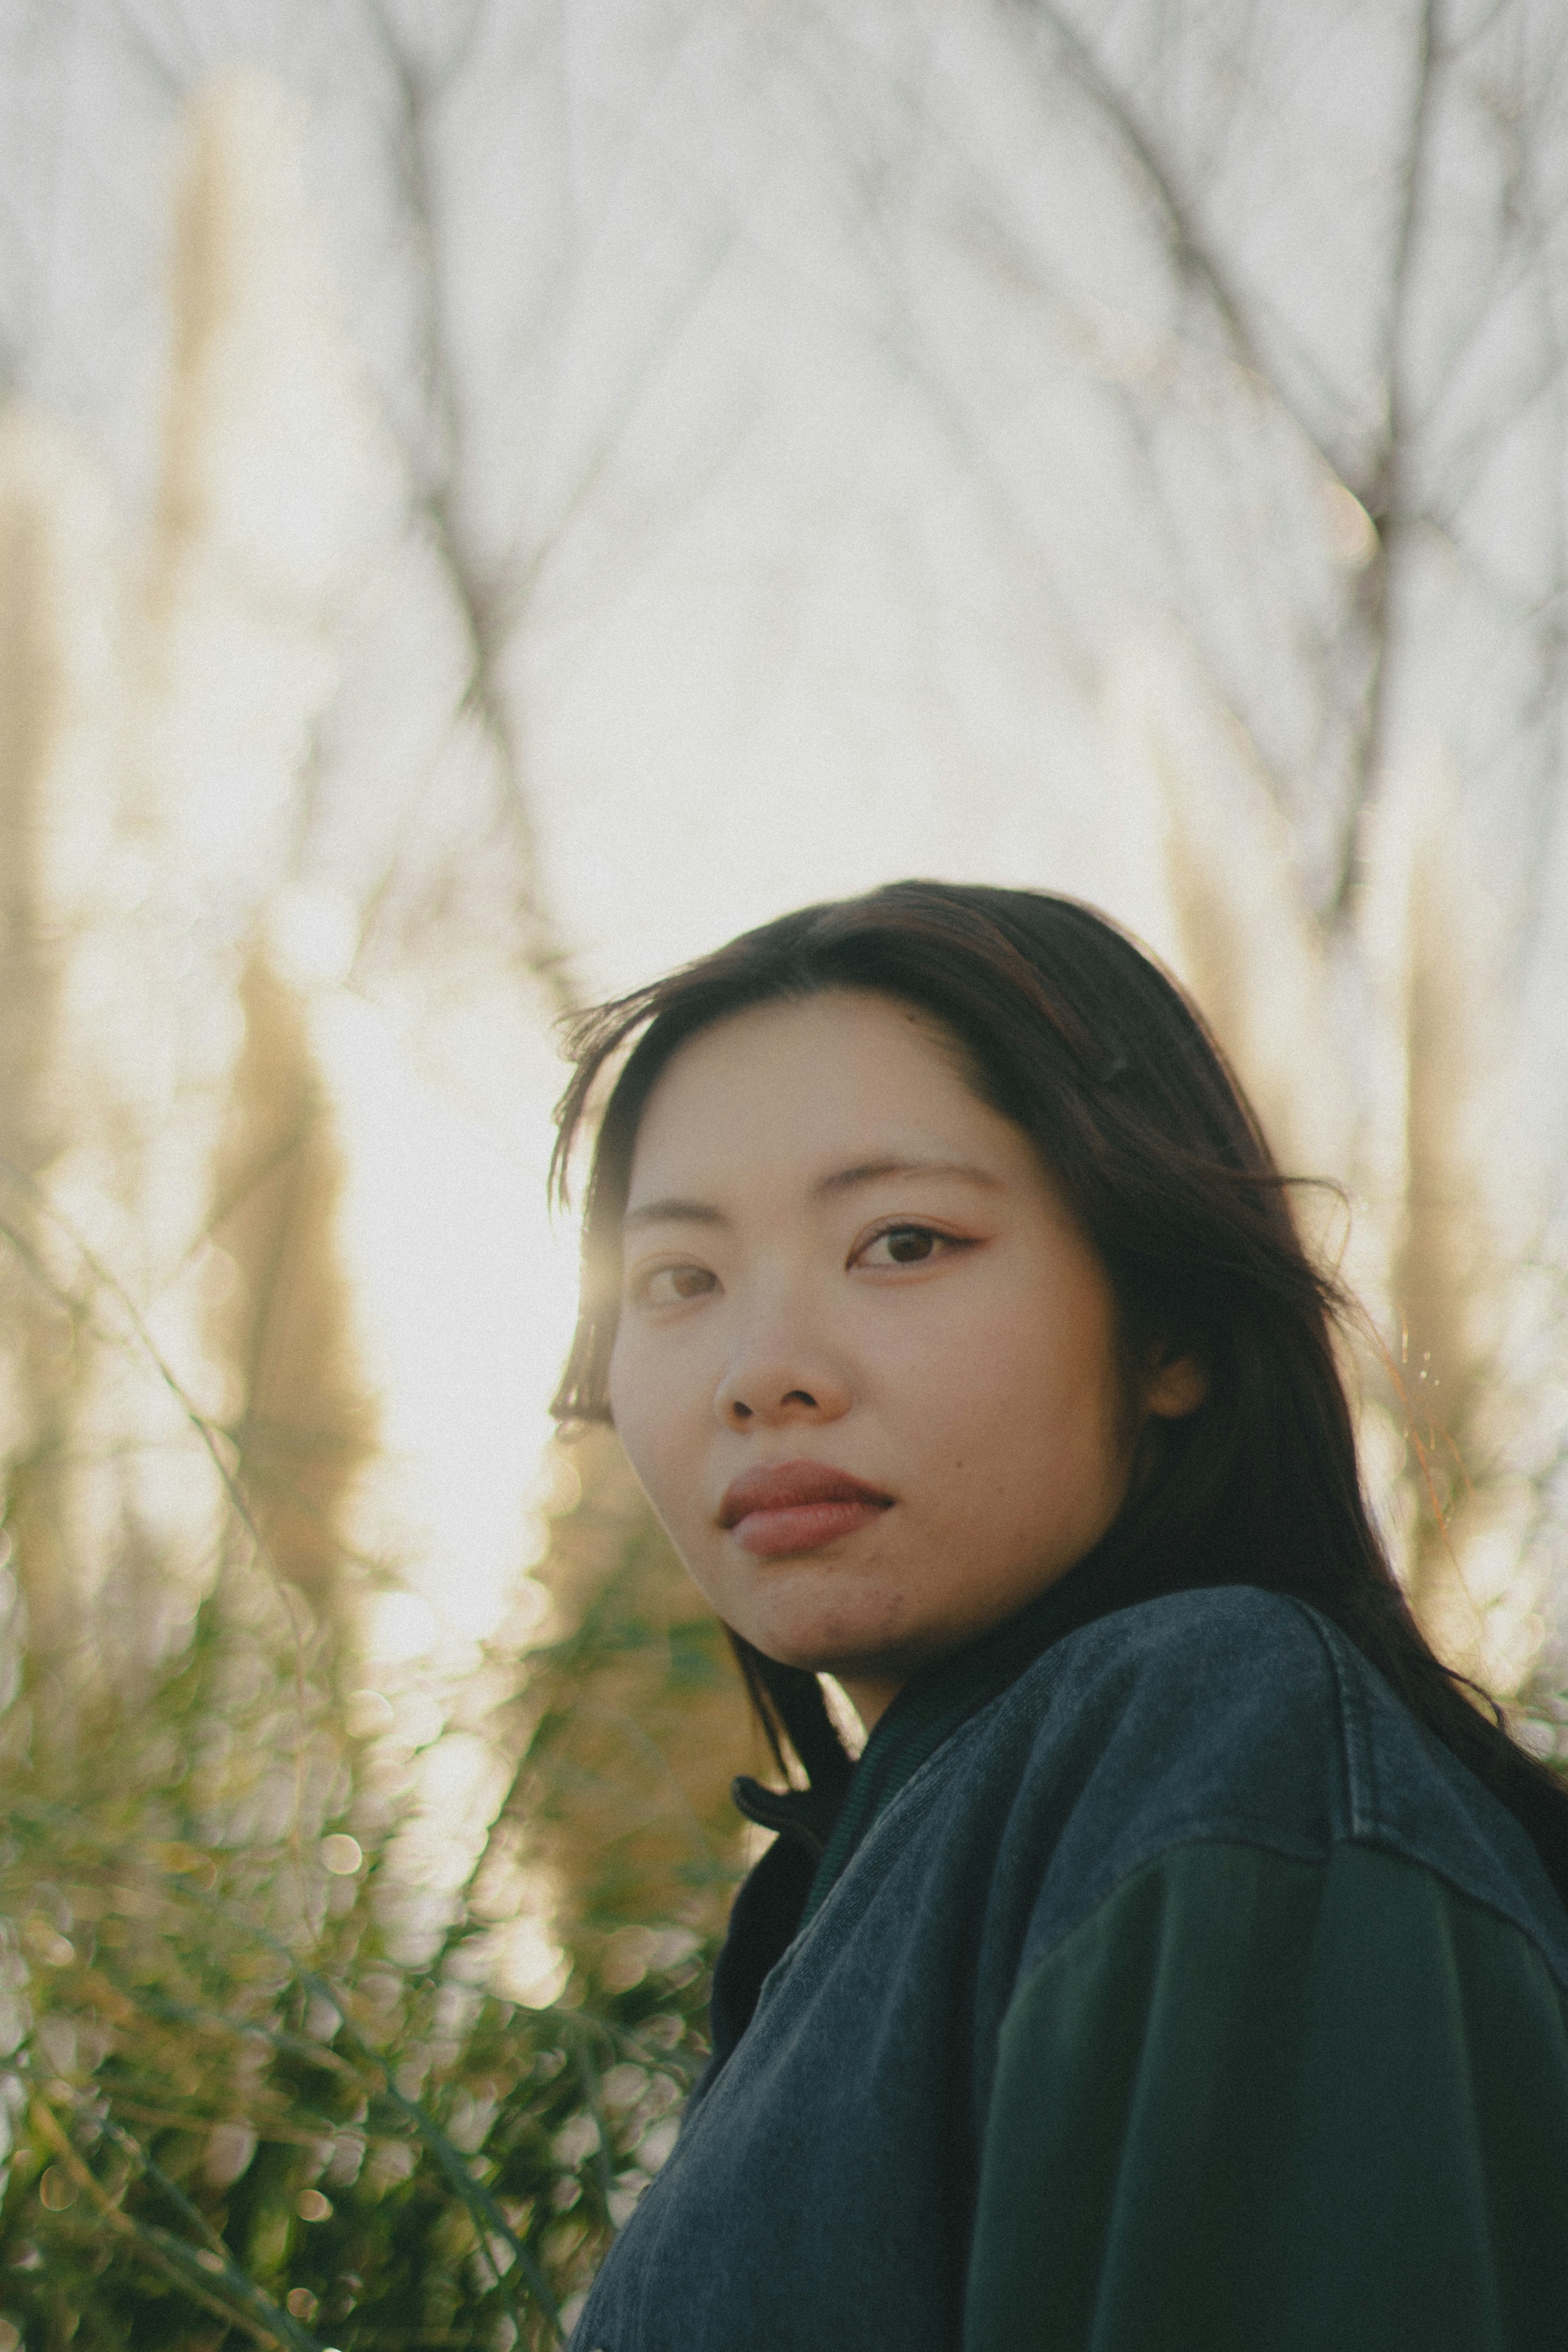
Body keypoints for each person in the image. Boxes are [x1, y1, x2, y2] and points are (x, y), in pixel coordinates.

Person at [548, 880, 1568, 2352]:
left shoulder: (1216, 1744)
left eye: (902, 1242)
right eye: (679, 1278)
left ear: (1172, 1331)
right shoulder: (876, 1895)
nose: (762, 1371)